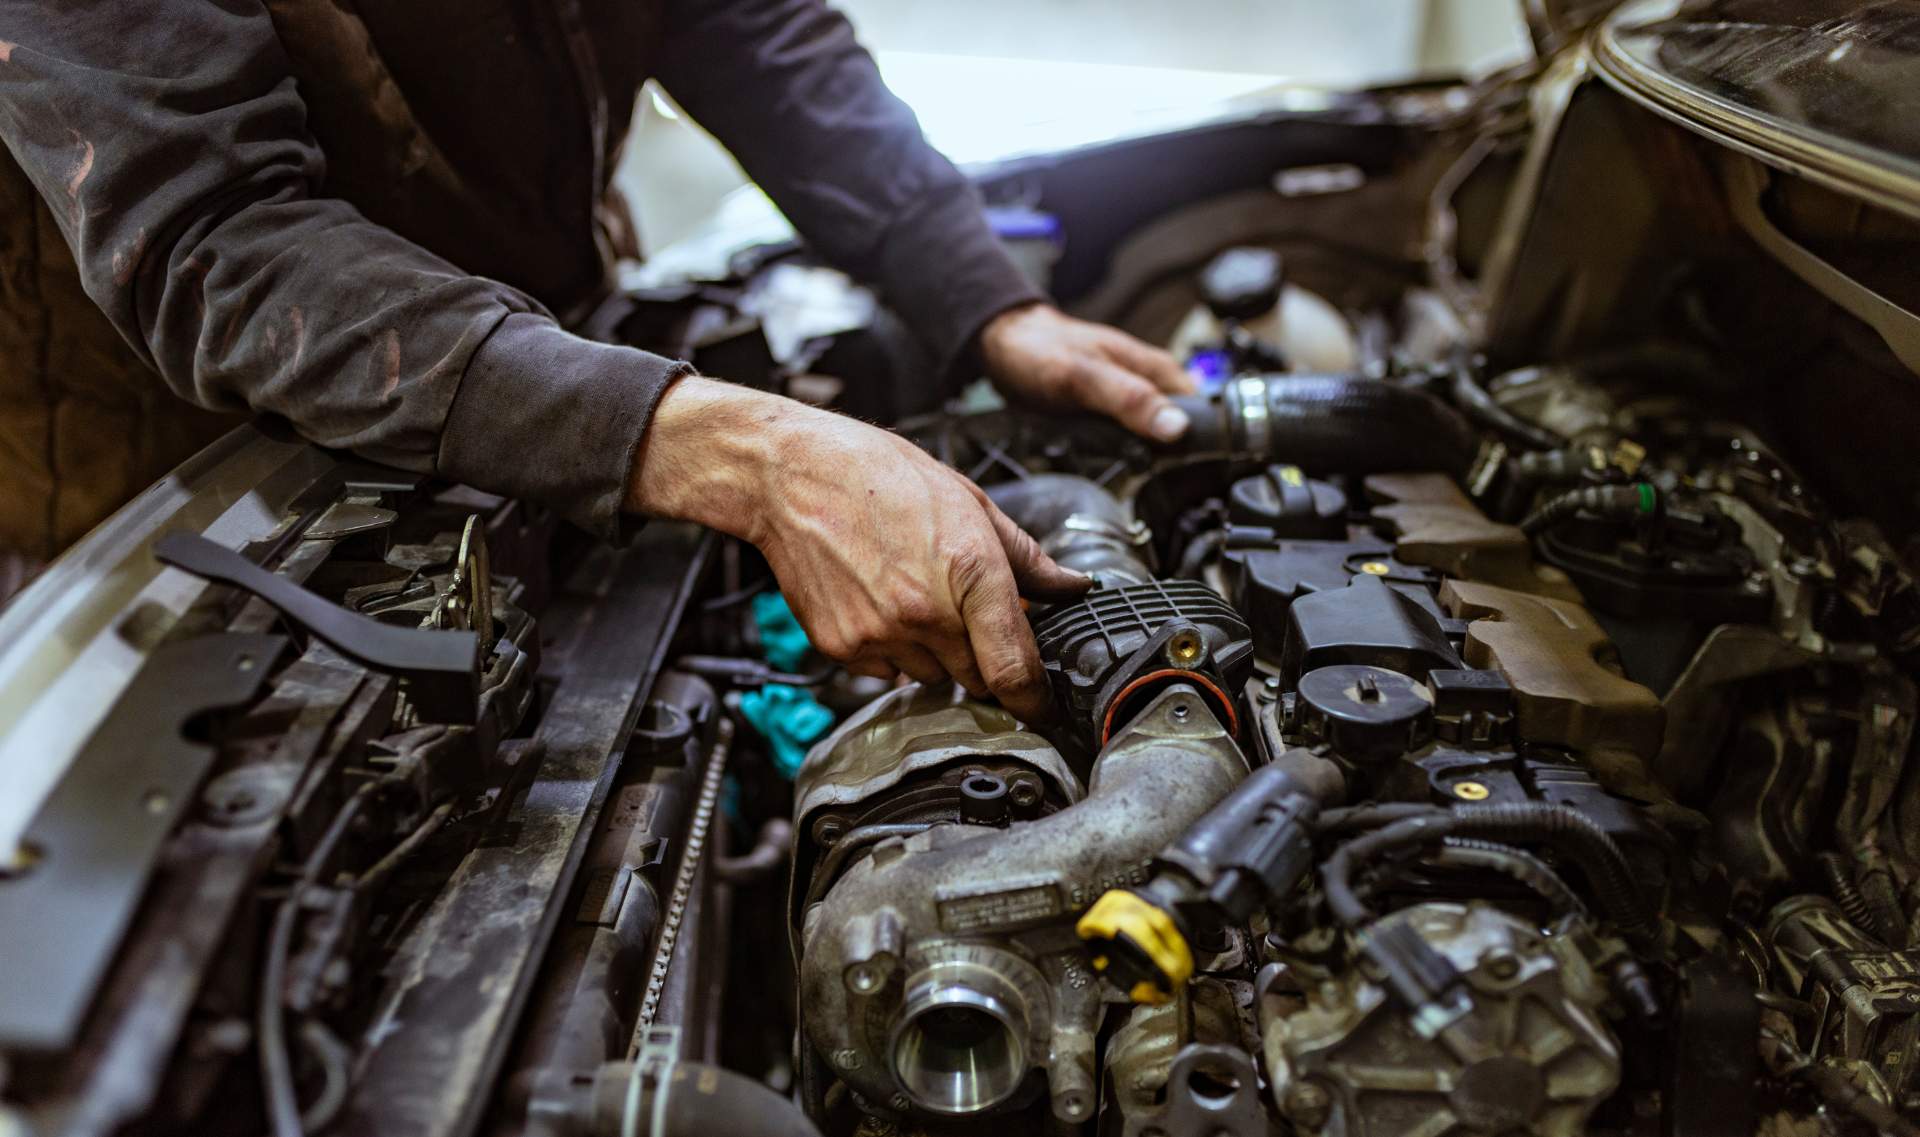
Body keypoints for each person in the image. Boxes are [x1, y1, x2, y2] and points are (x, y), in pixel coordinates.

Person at [0, 0, 1196, 719]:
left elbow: (745, 26)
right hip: (183, 479)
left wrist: (981, 298)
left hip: (543, 329)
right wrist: (753, 459)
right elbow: (218, 240)